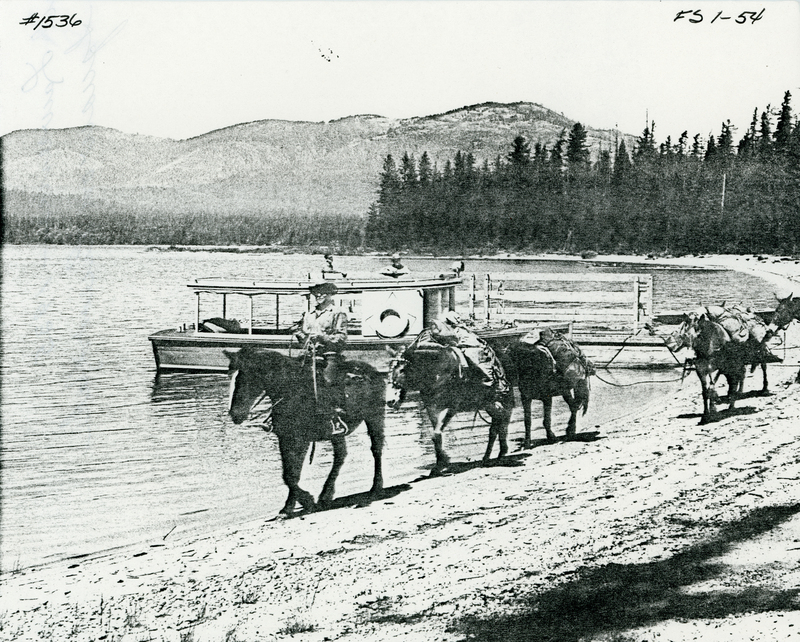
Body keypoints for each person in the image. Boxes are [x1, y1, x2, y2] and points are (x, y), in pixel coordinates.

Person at [294, 281, 349, 434]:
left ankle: (336, 419)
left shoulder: (337, 313)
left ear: (330, 294)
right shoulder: (308, 314)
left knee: (328, 382)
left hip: (329, 354)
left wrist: (322, 337)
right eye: (315, 293)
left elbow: (342, 338)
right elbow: (303, 334)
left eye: (322, 292)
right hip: (308, 354)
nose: (318, 295)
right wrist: (301, 336)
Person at [430, 311, 510, 407]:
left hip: (479, 349)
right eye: (457, 318)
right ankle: (490, 396)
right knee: (485, 372)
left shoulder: (462, 328)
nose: (459, 319)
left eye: (459, 318)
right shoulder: (448, 329)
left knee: (493, 370)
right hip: (470, 350)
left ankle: (496, 395)